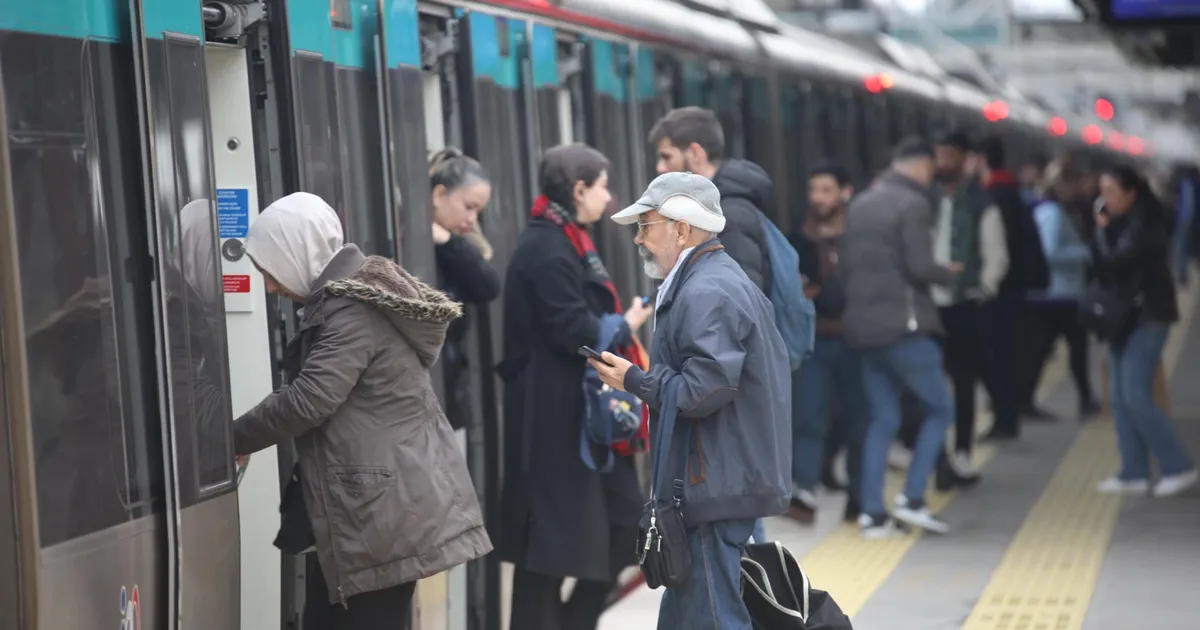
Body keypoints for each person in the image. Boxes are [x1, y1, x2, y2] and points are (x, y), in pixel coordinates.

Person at [231, 192, 493, 628]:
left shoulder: (350, 311)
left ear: (295, 253)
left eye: (269, 270)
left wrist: (232, 439)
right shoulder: (348, 302)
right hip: (378, 508)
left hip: (378, 513)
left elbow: (309, 398)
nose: (270, 286)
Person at [590, 171, 791, 629]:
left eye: (647, 226)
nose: (639, 240)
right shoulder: (708, 281)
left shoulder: (706, 290)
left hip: (711, 484)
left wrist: (636, 381)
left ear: (682, 229)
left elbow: (706, 388)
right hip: (710, 481)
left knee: (716, 617)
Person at [497, 144, 653, 630]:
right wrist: (622, 325)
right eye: (602, 187)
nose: (609, 198)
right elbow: (569, 327)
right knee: (548, 549)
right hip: (555, 419)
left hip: (578, 414)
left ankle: (570, 622)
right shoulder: (546, 248)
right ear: (578, 189)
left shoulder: (567, 240)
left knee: (616, 526)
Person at [840, 139, 962, 538]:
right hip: (904, 328)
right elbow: (919, 266)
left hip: (863, 330)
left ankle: (872, 514)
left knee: (883, 418)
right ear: (922, 167)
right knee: (940, 408)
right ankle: (912, 498)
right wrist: (948, 271)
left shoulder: (860, 203)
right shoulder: (912, 205)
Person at [1091, 166, 1198, 497]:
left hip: (1147, 317)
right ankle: (1133, 472)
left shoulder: (1144, 223)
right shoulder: (1129, 221)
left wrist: (1100, 232)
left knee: (1136, 395)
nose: (1103, 200)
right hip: (1125, 318)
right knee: (1121, 398)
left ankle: (1178, 465)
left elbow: (1114, 264)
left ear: (1131, 193)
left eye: (1110, 192)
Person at [787, 163, 866, 524]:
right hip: (815, 340)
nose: (818, 198)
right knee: (808, 416)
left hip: (858, 339)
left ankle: (859, 495)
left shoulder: (863, 234)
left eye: (826, 190)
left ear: (844, 192)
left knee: (858, 419)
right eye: (813, 190)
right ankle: (803, 491)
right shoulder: (797, 239)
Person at [930, 131, 1009, 490]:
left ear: (963, 159)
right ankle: (935, 455)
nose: (943, 162)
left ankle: (962, 451)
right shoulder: (923, 197)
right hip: (927, 303)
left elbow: (996, 253)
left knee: (963, 381)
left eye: (950, 155)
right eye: (939, 155)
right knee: (929, 383)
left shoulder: (981, 201)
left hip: (964, 304)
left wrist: (984, 288)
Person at [648, 106, 771, 293]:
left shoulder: (730, 216)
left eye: (667, 157)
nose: (660, 168)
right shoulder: (712, 210)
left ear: (696, 154)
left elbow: (740, 302)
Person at [428, 147, 501, 431]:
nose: (472, 219)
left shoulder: (456, 242)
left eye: (478, 211)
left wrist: (448, 242)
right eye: (468, 207)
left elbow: (487, 286)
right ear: (438, 195)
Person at [1023, 161, 1100, 418]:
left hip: (1058, 293)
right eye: (1074, 185)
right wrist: (1084, 252)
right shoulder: (1053, 213)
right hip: (1060, 293)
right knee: (1071, 347)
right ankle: (1084, 398)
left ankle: (1026, 400)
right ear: (1063, 185)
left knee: (1044, 349)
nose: (1078, 190)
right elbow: (1050, 251)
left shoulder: (1050, 209)